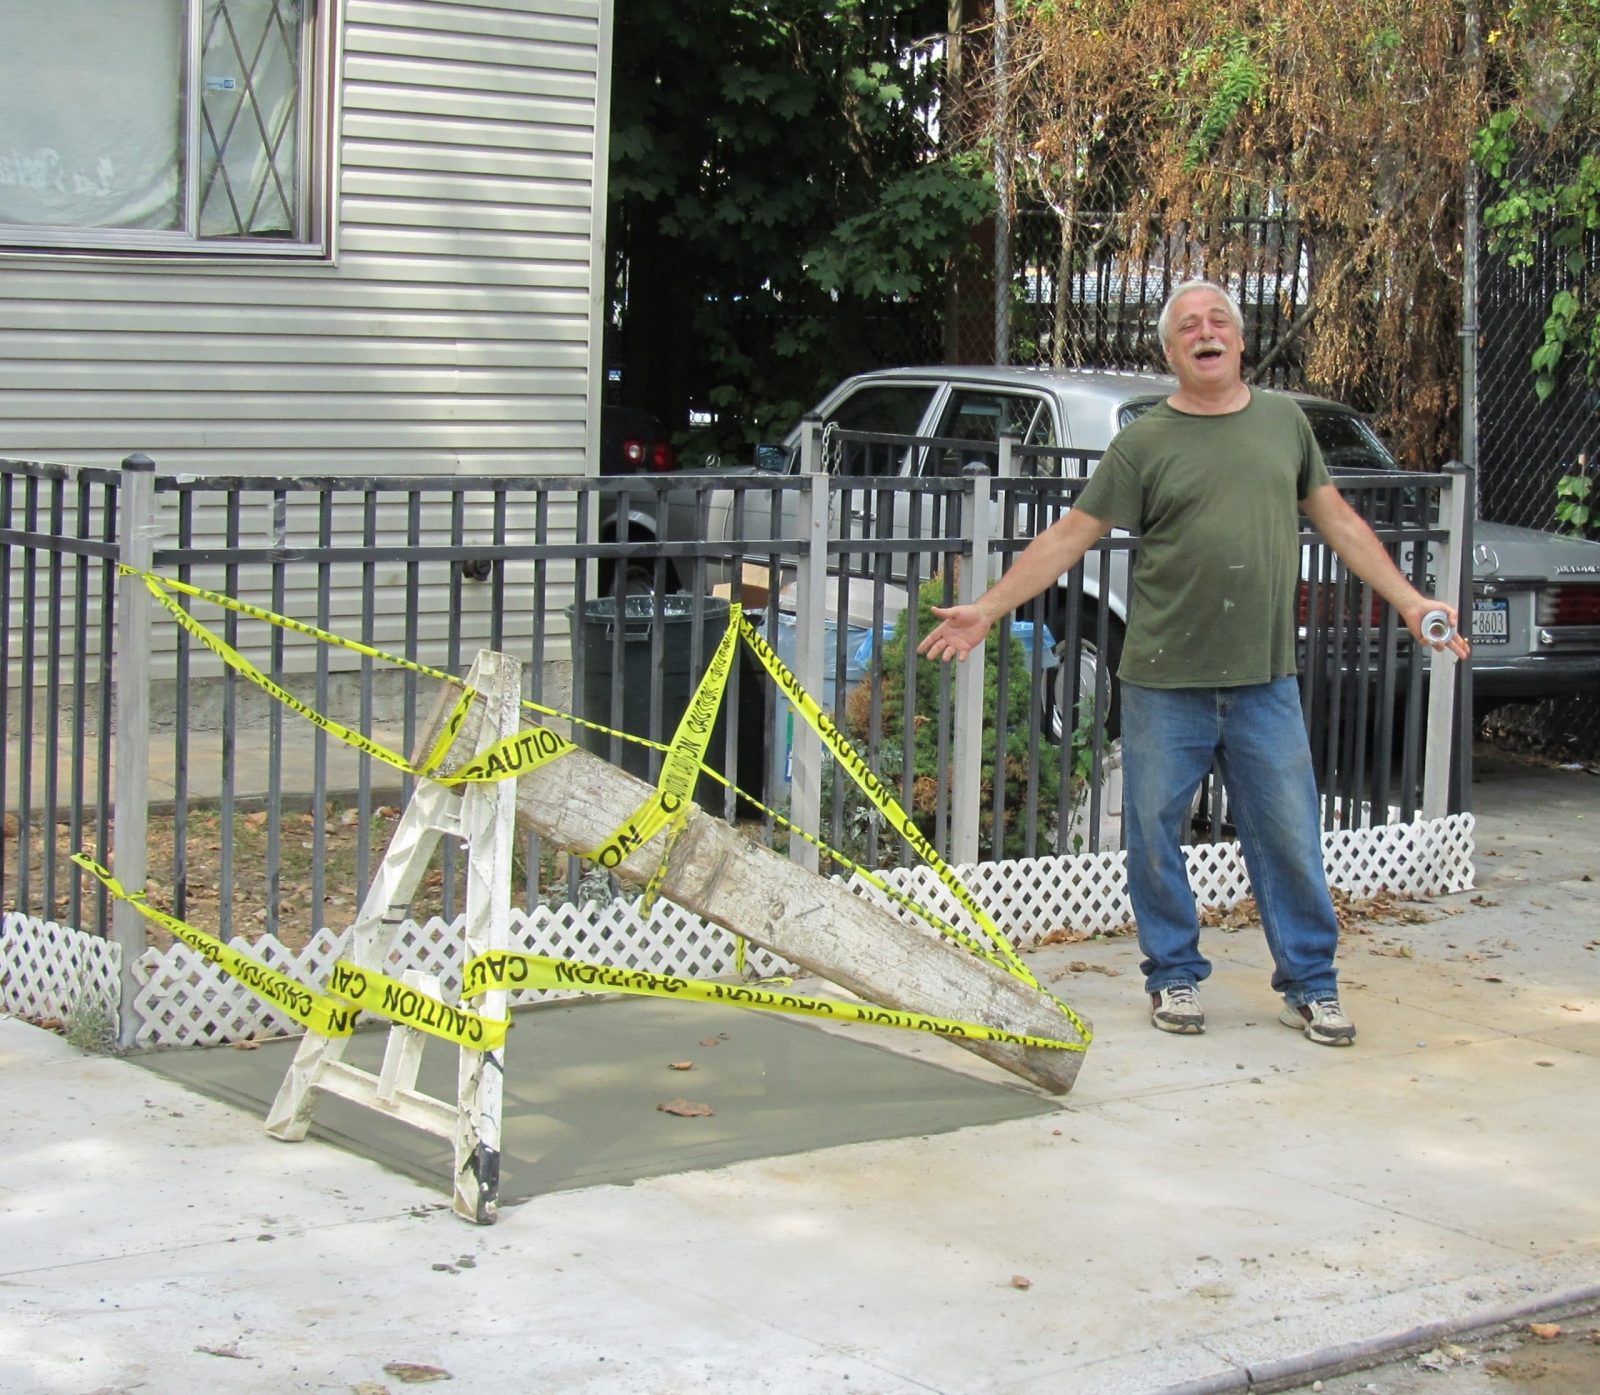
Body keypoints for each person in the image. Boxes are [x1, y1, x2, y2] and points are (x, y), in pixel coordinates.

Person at [917, 280, 1470, 1046]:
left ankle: (1311, 984)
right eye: (1187, 327)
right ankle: (1172, 975)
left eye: (1218, 322)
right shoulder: (1143, 442)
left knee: (1289, 838)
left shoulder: (1284, 424)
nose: (1205, 333)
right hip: (1162, 680)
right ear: (1172, 352)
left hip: (1263, 682)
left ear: (1239, 342)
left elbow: (1339, 520)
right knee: (1152, 834)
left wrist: (1410, 601)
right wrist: (987, 607)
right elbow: (1071, 534)